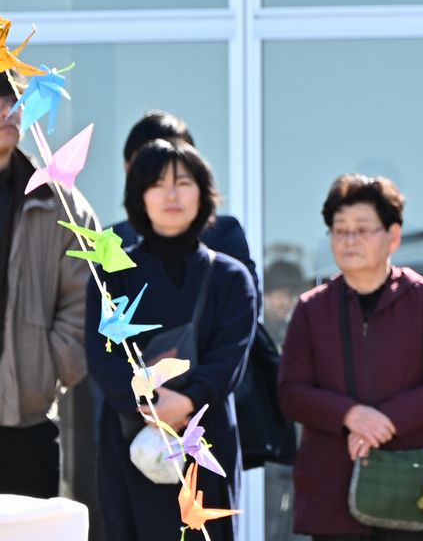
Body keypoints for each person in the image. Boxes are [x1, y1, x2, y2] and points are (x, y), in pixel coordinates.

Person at [277, 174, 423, 540]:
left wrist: (383, 421)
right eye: (339, 230)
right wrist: (350, 416)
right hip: (333, 484)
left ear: (394, 236)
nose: (349, 239)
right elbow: (292, 391)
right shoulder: (312, 308)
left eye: (362, 229)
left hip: (412, 477)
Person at [87, 139, 257, 540]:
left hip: (206, 435)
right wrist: (144, 403)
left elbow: (231, 355)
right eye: (157, 183)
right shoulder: (112, 274)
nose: (171, 193)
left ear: (203, 191)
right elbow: (101, 353)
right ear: (138, 196)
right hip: (131, 436)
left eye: (183, 181)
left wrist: (189, 400)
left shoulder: (231, 277)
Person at [0, 75, 98, 498]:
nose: (7, 108)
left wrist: (47, 368)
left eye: (14, 97)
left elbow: (87, 300)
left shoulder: (60, 201)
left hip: (28, 422)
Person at [112, 110, 258, 284]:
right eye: (154, 174)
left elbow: (247, 304)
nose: (170, 193)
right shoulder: (107, 243)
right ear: (128, 168)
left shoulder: (224, 235)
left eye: (179, 175)